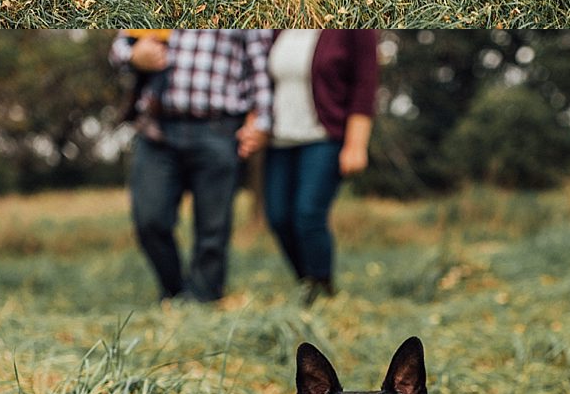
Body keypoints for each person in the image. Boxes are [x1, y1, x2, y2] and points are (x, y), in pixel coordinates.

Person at [111, 30, 274, 303]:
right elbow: (118, 48)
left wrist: (261, 120)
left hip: (219, 127)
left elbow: (260, 67)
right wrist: (133, 55)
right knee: (149, 219)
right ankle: (174, 291)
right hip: (157, 128)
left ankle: (204, 299)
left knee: (213, 228)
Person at [263, 29, 379, 303]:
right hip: (280, 140)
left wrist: (356, 144)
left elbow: (365, 84)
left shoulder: (351, 31)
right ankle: (307, 282)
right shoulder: (279, 27)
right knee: (279, 217)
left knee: (308, 214)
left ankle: (323, 288)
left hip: (324, 138)